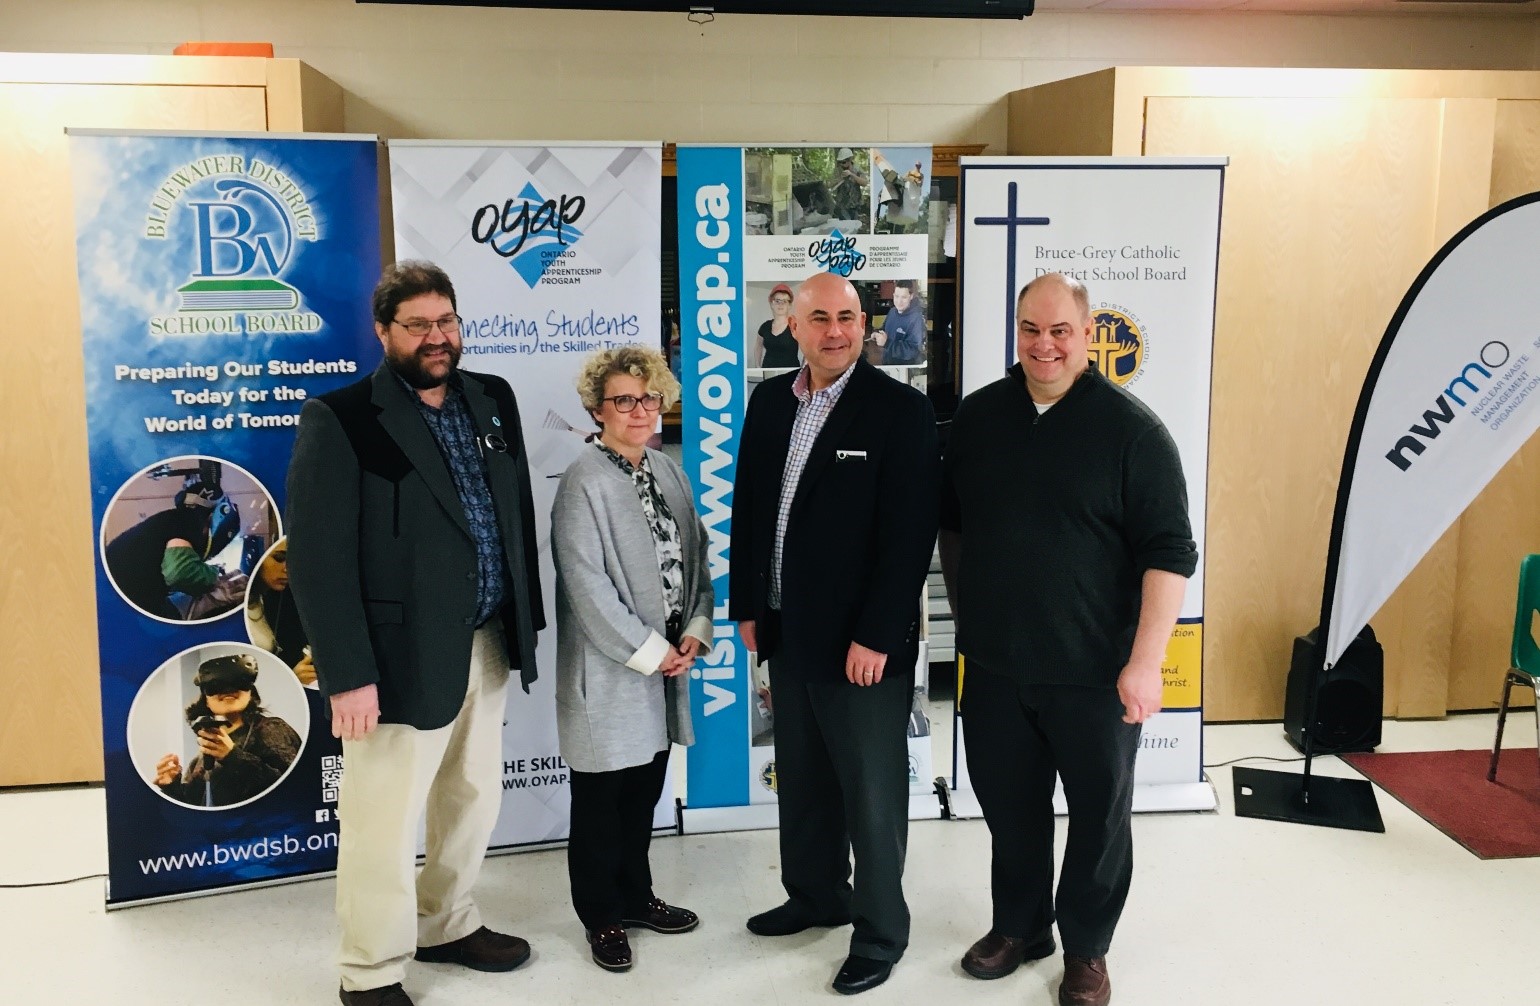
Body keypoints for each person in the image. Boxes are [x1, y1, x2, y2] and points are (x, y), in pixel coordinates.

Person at [286, 260, 545, 1006]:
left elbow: (512, 515)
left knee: (471, 797)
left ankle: (447, 922)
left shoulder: (491, 399)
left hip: (487, 638)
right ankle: (369, 969)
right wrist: (345, 674)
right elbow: (319, 560)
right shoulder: (343, 419)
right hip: (392, 658)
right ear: (383, 331)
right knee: (383, 818)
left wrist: (523, 623)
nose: (438, 337)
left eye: (448, 321)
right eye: (419, 325)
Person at [938, 273, 1197, 1006]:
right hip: (994, 667)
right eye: (1029, 329)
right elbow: (953, 524)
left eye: (1059, 331)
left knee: (1097, 818)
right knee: (1010, 811)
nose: (1043, 345)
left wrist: (1146, 663)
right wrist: (967, 616)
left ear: (1089, 334)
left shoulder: (1132, 432)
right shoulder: (980, 418)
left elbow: (1170, 553)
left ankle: (1086, 949)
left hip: (1095, 673)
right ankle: (1021, 927)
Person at [730, 271, 940, 996]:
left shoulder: (900, 411)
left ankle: (881, 931)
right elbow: (751, 509)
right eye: (820, 317)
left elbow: (910, 535)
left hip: (862, 645)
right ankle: (816, 896)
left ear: (864, 323)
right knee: (807, 781)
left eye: (848, 317)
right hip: (787, 632)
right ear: (795, 325)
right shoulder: (768, 401)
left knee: (871, 795)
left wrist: (879, 636)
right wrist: (747, 606)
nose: (835, 331)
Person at [550, 345, 712, 973]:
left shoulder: (669, 471)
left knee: (643, 792)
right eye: (624, 400)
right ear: (597, 409)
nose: (640, 410)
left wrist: (695, 630)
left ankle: (637, 897)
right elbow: (588, 588)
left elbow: (697, 559)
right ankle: (601, 915)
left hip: (667, 665)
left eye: (649, 398)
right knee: (601, 802)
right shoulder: (582, 481)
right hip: (611, 673)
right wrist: (655, 653)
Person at [153, 652, 301, 808]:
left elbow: (296, 786)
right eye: (215, 686)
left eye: (239, 682)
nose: (228, 689)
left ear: (250, 693)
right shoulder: (199, 761)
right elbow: (197, 810)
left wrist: (233, 756)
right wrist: (171, 785)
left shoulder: (270, 729)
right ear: (206, 701)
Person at [105, 465, 244, 620]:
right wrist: (214, 576)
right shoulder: (188, 525)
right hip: (127, 602)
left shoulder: (168, 520)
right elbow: (180, 573)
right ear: (215, 519)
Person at [245, 538, 316, 686]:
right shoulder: (233, 606)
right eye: (279, 558)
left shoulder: (279, 598)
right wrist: (290, 680)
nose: (287, 568)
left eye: (293, 560)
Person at [874, 281, 925, 366]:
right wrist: (877, 333)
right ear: (893, 295)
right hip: (887, 362)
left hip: (903, 368)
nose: (899, 301)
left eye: (904, 297)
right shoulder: (892, 311)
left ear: (911, 297)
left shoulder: (916, 319)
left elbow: (912, 351)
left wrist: (887, 343)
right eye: (897, 296)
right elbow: (884, 328)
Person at [757, 283, 800, 369]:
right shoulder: (765, 326)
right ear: (772, 304)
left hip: (791, 376)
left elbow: (809, 350)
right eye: (777, 301)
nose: (780, 304)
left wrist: (804, 369)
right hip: (768, 372)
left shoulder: (796, 325)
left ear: (789, 305)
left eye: (784, 301)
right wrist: (758, 366)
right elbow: (758, 346)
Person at [829, 146, 869, 224]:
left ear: (850, 160)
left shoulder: (857, 169)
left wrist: (852, 175)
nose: (842, 165)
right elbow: (829, 184)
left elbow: (865, 182)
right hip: (842, 205)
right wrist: (840, 178)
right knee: (846, 225)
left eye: (844, 162)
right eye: (840, 162)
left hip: (855, 204)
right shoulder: (838, 170)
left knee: (853, 225)